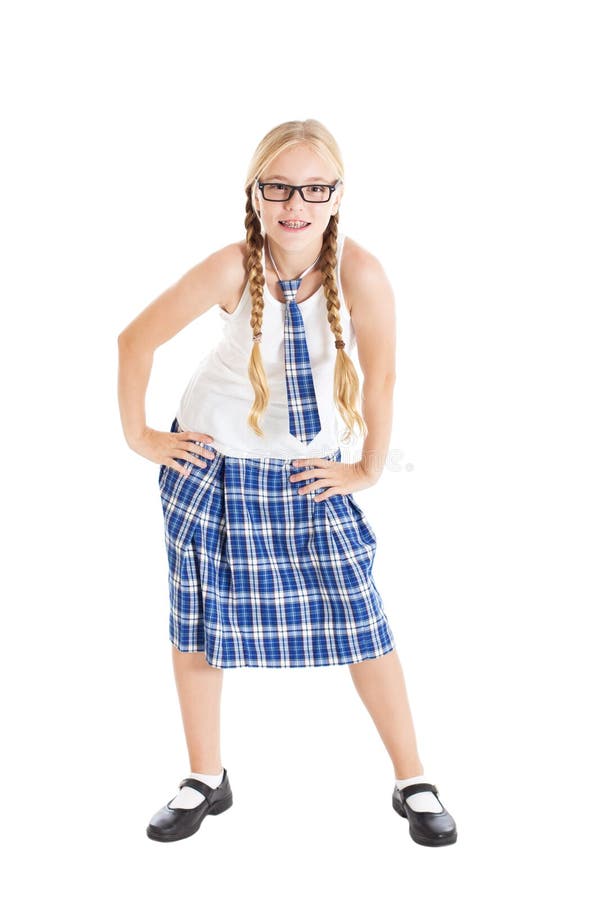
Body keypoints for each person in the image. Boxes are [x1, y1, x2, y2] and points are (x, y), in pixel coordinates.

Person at [117, 118, 457, 847]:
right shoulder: (233, 266)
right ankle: (204, 776)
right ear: (256, 191)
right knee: (200, 623)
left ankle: (413, 777)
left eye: (313, 187)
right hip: (213, 465)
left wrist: (367, 466)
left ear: (337, 196)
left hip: (306, 471)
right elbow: (133, 340)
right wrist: (142, 437)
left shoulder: (361, 273)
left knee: (362, 615)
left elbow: (384, 377)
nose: (295, 203)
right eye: (279, 186)